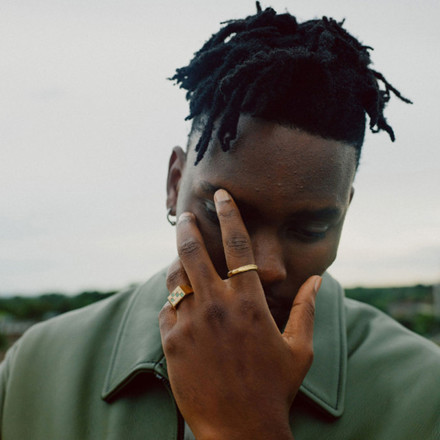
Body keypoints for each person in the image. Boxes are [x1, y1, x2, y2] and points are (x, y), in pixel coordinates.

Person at [1, 3, 439, 439]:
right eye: (226, 214)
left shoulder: (425, 392)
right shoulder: (32, 370)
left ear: (344, 213)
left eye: (310, 230)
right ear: (175, 183)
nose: (264, 267)